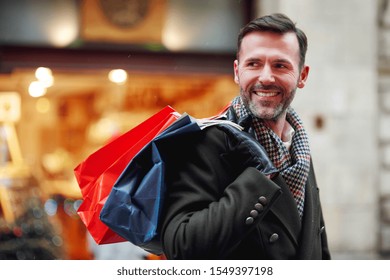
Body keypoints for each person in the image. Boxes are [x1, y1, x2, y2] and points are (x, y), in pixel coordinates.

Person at [159, 13, 331, 259]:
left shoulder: (299, 149)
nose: (266, 77)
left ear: (302, 76)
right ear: (237, 71)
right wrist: (258, 179)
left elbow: (317, 246)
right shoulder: (209, 141)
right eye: (254, 64)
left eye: (280, 65)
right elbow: (180, 246)